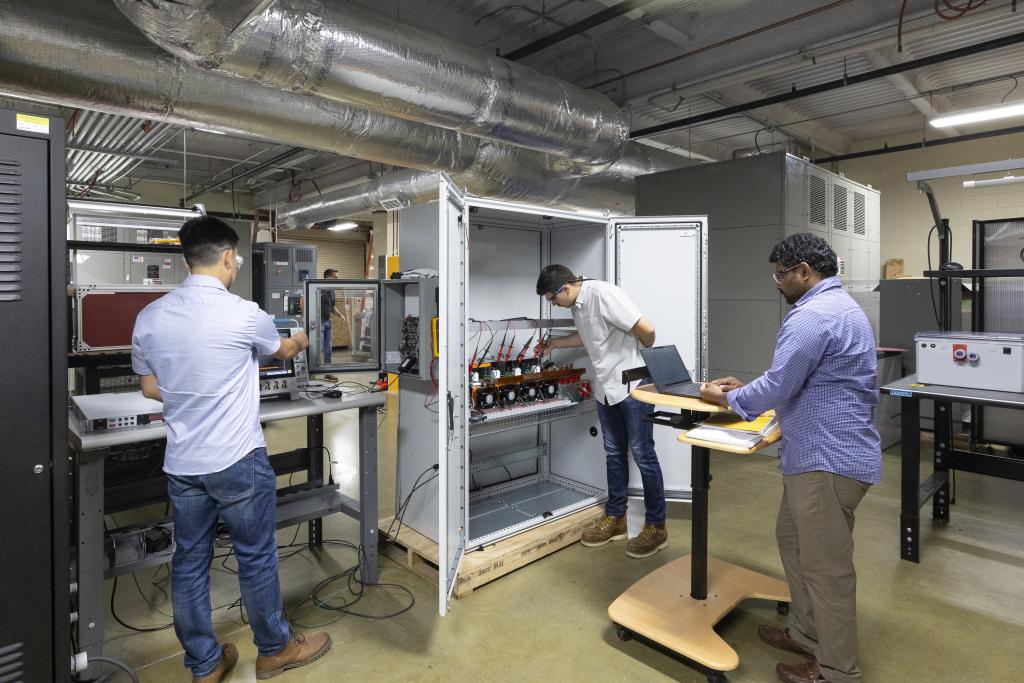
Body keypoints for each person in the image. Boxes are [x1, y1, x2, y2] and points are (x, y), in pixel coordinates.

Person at [132, 216, 331, 682]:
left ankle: (204, 664)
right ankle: (275, 651)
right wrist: (301, 336)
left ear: (185, 260)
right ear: (228, 258)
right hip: (238, 459)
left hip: (183, 464)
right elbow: (283, 351)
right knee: (255, 555)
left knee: (189, 561)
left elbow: (148, 387)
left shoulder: (150, 317)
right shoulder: (245, 313)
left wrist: (189, 393)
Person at [699, 233, 881, 683]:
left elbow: (780, 386)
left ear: (804, 271)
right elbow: (797, 378)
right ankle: (805, 632)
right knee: (793, 542)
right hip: (816, 455)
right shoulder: (838, 307)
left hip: (827, 460)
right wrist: (749, 391)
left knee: (825, 568)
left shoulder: (814, 315)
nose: (777, 284)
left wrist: (724, 399)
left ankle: (836, 669)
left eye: (781, 275)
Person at [534, 265, 668, 558]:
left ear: (564, 289)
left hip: (633, 387)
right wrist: (554, 344)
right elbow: (589, 337)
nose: (553, 304)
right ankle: (616, 518)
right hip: (606, 389)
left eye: (551, 299)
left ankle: (656, 527)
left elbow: (648, 330)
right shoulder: (578, 305)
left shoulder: (604, 295)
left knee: (643, 454)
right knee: (614, 454)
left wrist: (640, 359)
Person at [320, 268, 345, 364]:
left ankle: (327, 370)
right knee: (319, 347)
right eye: (335, 277)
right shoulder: (319, 288)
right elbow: (303, 299)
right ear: (327, 277)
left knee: (328, 348)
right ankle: (313, 371)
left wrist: (340, 315)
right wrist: (304, 315)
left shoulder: (331, 291)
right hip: (319, 321)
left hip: (327, 321)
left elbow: (332, 307)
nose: (337, 280)